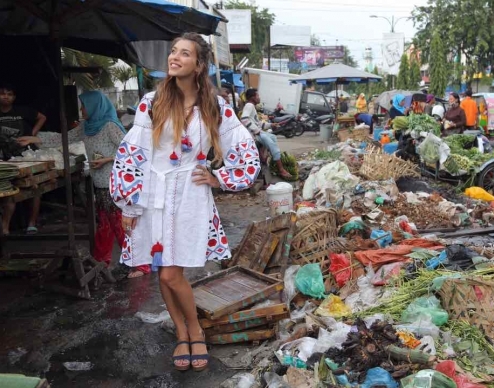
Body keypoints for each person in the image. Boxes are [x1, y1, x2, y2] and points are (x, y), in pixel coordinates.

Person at [110, 32, 260, 372]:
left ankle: (192, 330)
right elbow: (134, 153)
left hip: (190, 195)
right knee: (164, 273)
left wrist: (219, 176)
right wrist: (129, 203)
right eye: (173, 51)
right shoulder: (152, 101)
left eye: (184, 53)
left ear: (199, 64)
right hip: (152, 193)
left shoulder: (215, 106)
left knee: (171, 273)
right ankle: (186, 331)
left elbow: (244, 150)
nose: (174, 57)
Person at [17, 91, 152, 279]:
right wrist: (34, 139)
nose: (81, 110)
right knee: (105, 225)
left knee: (121, 225)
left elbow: (131, 151)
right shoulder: (86, 127)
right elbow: (63, 138)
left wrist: (106, 159)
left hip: (116, 184)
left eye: (84, 106)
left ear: (95, 106)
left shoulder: (110, 126)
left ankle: (141, 265)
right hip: (100, 183)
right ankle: (101, 261)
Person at [0, 84, 46, 235]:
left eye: (9, 94)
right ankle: (5, 227)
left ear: (14, 98)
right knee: (10, 190)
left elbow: (42, 117)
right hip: (9, 157)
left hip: (29, 155)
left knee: (34, 188)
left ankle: (32, 223)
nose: (5, 96)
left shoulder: (22, 111)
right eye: (2, 94)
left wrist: (32, 134)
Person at [240, 89, 293, 180]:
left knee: (273, 137)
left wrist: (271, 125)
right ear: (253, 97)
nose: (259, 97)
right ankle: (281, 169)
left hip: (258, 133)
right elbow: (244, 119)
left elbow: (258, 123)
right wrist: (257, 131)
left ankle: (266, 158)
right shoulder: (249, 105)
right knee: (273, 146)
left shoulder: (252, 106)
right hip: (254, 135)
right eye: (257, 96)